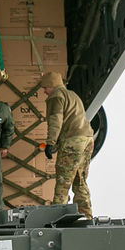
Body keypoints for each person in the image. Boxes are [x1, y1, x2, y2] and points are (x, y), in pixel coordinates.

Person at [38, 72, 94, 218]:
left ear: (52, 85)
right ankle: (86, 215)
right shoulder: (72, 95)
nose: (44, 91)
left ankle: (57, 217)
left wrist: (50, 143)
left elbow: (55, 121)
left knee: (63, 182)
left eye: (45, 87)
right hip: (87, 139)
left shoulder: (56, 96)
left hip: (73, 141)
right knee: (79, 180)